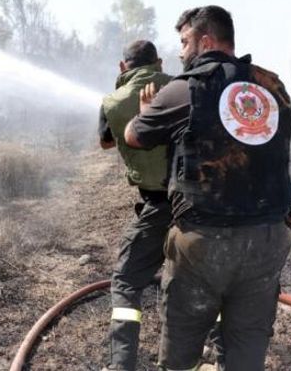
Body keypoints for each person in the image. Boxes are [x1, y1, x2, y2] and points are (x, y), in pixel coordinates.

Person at [124, 6, 291, 371]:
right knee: (246, 350)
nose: (182, 53)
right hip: (268, 240)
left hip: (203, 243)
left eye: (185, 42)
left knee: (181, 350)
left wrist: (146, 110)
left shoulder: (186, 89)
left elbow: (134, 137)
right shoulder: (272, 87)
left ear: (206, 41)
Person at [98, 40, 173, 371]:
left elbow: (105, 142)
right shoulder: (183, 86)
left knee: (126, 282)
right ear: (159, 62)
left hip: (160, 205)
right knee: (201, 280)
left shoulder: (111, 102)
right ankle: (214, 356)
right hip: (204, 206)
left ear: (121, 67)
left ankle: (122, 365)